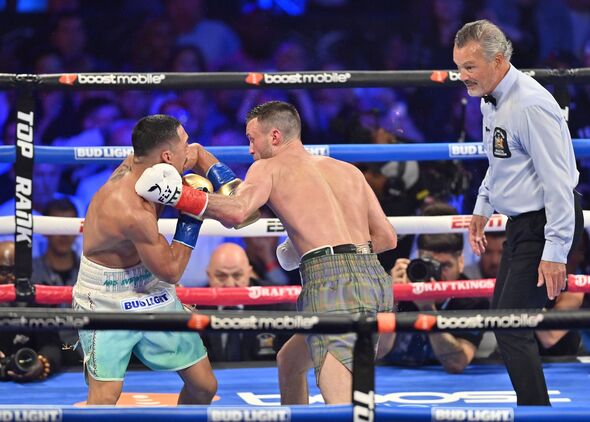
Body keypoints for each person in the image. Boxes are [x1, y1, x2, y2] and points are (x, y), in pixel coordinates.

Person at [135, 101, 397, 404]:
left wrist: (179, 196)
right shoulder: (347, 170)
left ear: (274, 136)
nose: (249, 149)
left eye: (251, 139)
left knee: (342, 408)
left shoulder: (268, 167)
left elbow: (238, 213)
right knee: (290, 362)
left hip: (334, 289)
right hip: (375, 279)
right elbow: (387, 238)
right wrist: (314, 249)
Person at [454, 20, 584, 405]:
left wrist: (556, 251)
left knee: (511, 326)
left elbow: (559, 182)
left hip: (546, 222)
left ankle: (538, 412)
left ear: (497, 61)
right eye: (458, 66)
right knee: (504, 319)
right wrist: (482, 206)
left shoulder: (531, 104)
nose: (462, 77)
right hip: (521, 224)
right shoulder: (490, 99)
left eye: (470, 67)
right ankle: (535, 407)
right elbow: (500, 163)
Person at [72, 115, 217, 405]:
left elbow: (194, 155)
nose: (188, 150)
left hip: (148, 284)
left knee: (204, 386)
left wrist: (210, 164)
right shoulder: (130, 211)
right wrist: (192, 217)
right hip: (106, 296)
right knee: (105, 397)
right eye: (184, 144)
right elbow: (172, 271)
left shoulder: (145, 164)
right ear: (166, 155)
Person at [386, 203, 489, 372]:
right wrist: (392, 299)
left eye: (445, 266)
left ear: (461, 263)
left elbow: (456, 363)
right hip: (391, 380)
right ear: (416, 258)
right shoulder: (405, 286)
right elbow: (377, 353)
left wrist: (427, 309)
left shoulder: (472, 299)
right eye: (429, 264)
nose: (437, 274)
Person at [201, 242, 291, 362]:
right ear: (209, 275)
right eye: (221, 276)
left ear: (249, 273)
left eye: (237, 275)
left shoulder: (276, 301)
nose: (230, 285)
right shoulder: (196, 306)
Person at [0, 241, 59, 382]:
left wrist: (41, 364)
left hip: (31, 382)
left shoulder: (38, 299)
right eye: (3, 271)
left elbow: (52, 345)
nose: (11, 277)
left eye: (16, 271)